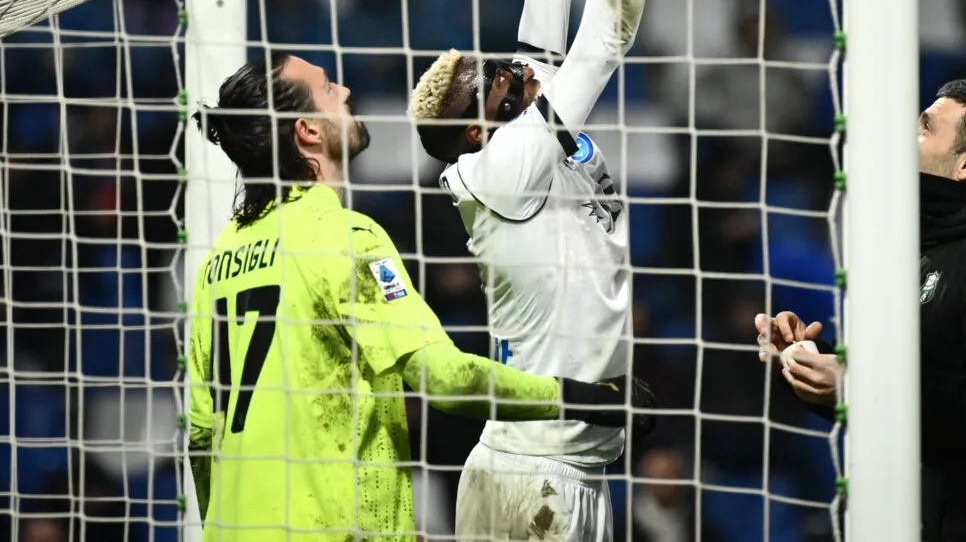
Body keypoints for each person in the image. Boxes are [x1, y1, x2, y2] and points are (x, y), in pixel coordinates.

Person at [408, 0, 699, 540]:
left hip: (570, 467)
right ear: (475, 125)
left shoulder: (519, 134)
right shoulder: (503, 166)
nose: (516, 68)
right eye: (498, 81)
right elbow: (606, 35)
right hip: (530, 473)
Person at [186, 54, 644, 541]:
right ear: (308, 131)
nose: (343, 92)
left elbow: (199, 436)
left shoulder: (217, 262)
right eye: (326, 88)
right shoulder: (344, 236)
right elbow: (446, 378)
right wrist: (580, 397)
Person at [755, 79, 966, 542]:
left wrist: (857, 384)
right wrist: (813, 360)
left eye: (925, 128)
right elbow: (912, 389)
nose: (905, 139)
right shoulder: (930, 247)